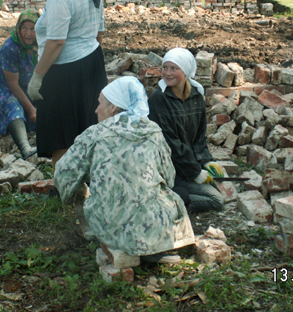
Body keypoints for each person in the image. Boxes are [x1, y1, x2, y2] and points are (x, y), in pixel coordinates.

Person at [54, 77, 195, 260]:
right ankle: (154, 244)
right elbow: (168, 179)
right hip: (152, 221)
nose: (96, 109)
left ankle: (116, 242)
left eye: (100, 103)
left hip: (107, 223)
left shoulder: (94, 134)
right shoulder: (153, 132)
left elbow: (63, 175)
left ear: (113, 107)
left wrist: (80, 193)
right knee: (180, 195)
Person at [27, 0, 107, 169]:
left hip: (64, 70)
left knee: (60, 128)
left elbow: (56, 41)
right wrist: (92, 61)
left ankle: (64, 185)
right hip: (91, 62)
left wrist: (38, 77)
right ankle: (88, 179)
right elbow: (98, 32)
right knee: (87, 122)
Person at [148, 48, 224, 213]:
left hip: (188, 165)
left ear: (186, 71)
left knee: (216, 190)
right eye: (165, 68)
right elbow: (170, 143)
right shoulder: (158, 99)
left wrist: (207, 160)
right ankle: (166, 202)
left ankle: (175, 196)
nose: (167, 73)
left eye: (174, 68)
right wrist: (196, 172)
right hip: (169, 169)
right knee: (216, 200)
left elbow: (199, 137)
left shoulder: (196, 96)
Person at [0, 9, 40, 160]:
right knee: (13, 105)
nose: (28, 34)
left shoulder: (41, 43)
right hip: (2, 86)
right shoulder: (10, 47)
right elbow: (12, 85)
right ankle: (25, 147)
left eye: (33, 29)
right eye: (24, 29)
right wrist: (31, 109)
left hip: (26, 85)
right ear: (18, 28)